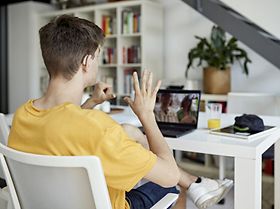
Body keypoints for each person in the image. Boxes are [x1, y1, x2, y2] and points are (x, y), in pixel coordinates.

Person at [8, 15, 233, 209]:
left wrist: (92, 102)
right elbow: (169, 175)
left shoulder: (22, 116)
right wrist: (146, 115)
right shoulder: (98, 128)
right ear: (87, 61)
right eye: (98, 55)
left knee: (126, 131)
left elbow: (60, 128)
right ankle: (194, 184)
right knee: (174, 184)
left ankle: (197, 183)